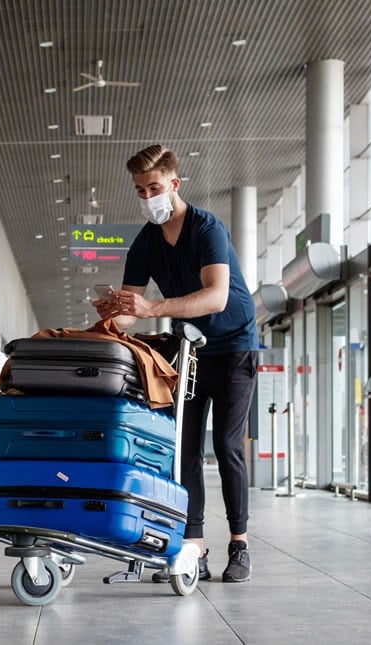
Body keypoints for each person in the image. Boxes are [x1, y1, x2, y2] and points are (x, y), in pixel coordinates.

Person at [93, 144, 259, 583]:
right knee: (183, 448)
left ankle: (239, 543)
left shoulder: (207, 228)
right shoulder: (146, 241)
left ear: (174, 184)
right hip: (190, 350)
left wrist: (150, 308)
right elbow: (132, 310)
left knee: (225, 446)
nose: (148, 197)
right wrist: (112, 311)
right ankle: (194, 547)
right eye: (140, 190)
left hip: (235, 345)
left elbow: (217, 295)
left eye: (154, 187)